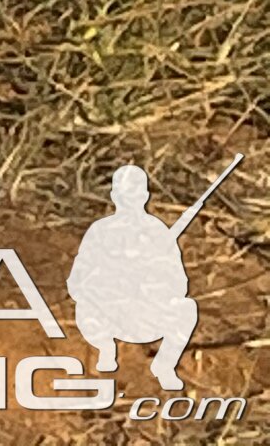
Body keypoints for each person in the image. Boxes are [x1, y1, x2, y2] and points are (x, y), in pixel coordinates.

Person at [67, 163, 201, 392]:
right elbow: (76, 282)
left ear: (145, 196)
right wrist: (109, 285)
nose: (129, 200)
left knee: (187, 308)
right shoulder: (99, 231)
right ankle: (106, 349)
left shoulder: (158, 232)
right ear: (114, 196)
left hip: (147, 315)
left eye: (135, 194)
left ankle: (164, 365)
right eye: (124, 195)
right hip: (108, 316)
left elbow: (180, 284)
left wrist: (150, 279)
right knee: (84, 307)